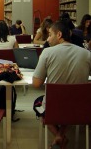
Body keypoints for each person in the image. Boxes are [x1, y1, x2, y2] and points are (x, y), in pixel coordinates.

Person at [33, 21, 91, 149]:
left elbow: (36, 83)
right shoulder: (87, 54)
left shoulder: (47, 52)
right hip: (80, 108)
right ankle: (61, 136)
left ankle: (59, 137)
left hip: (54, 107)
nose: (47, 39)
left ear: (59, 35)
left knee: (38, 105)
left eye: (49, 35)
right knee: (70, 109)